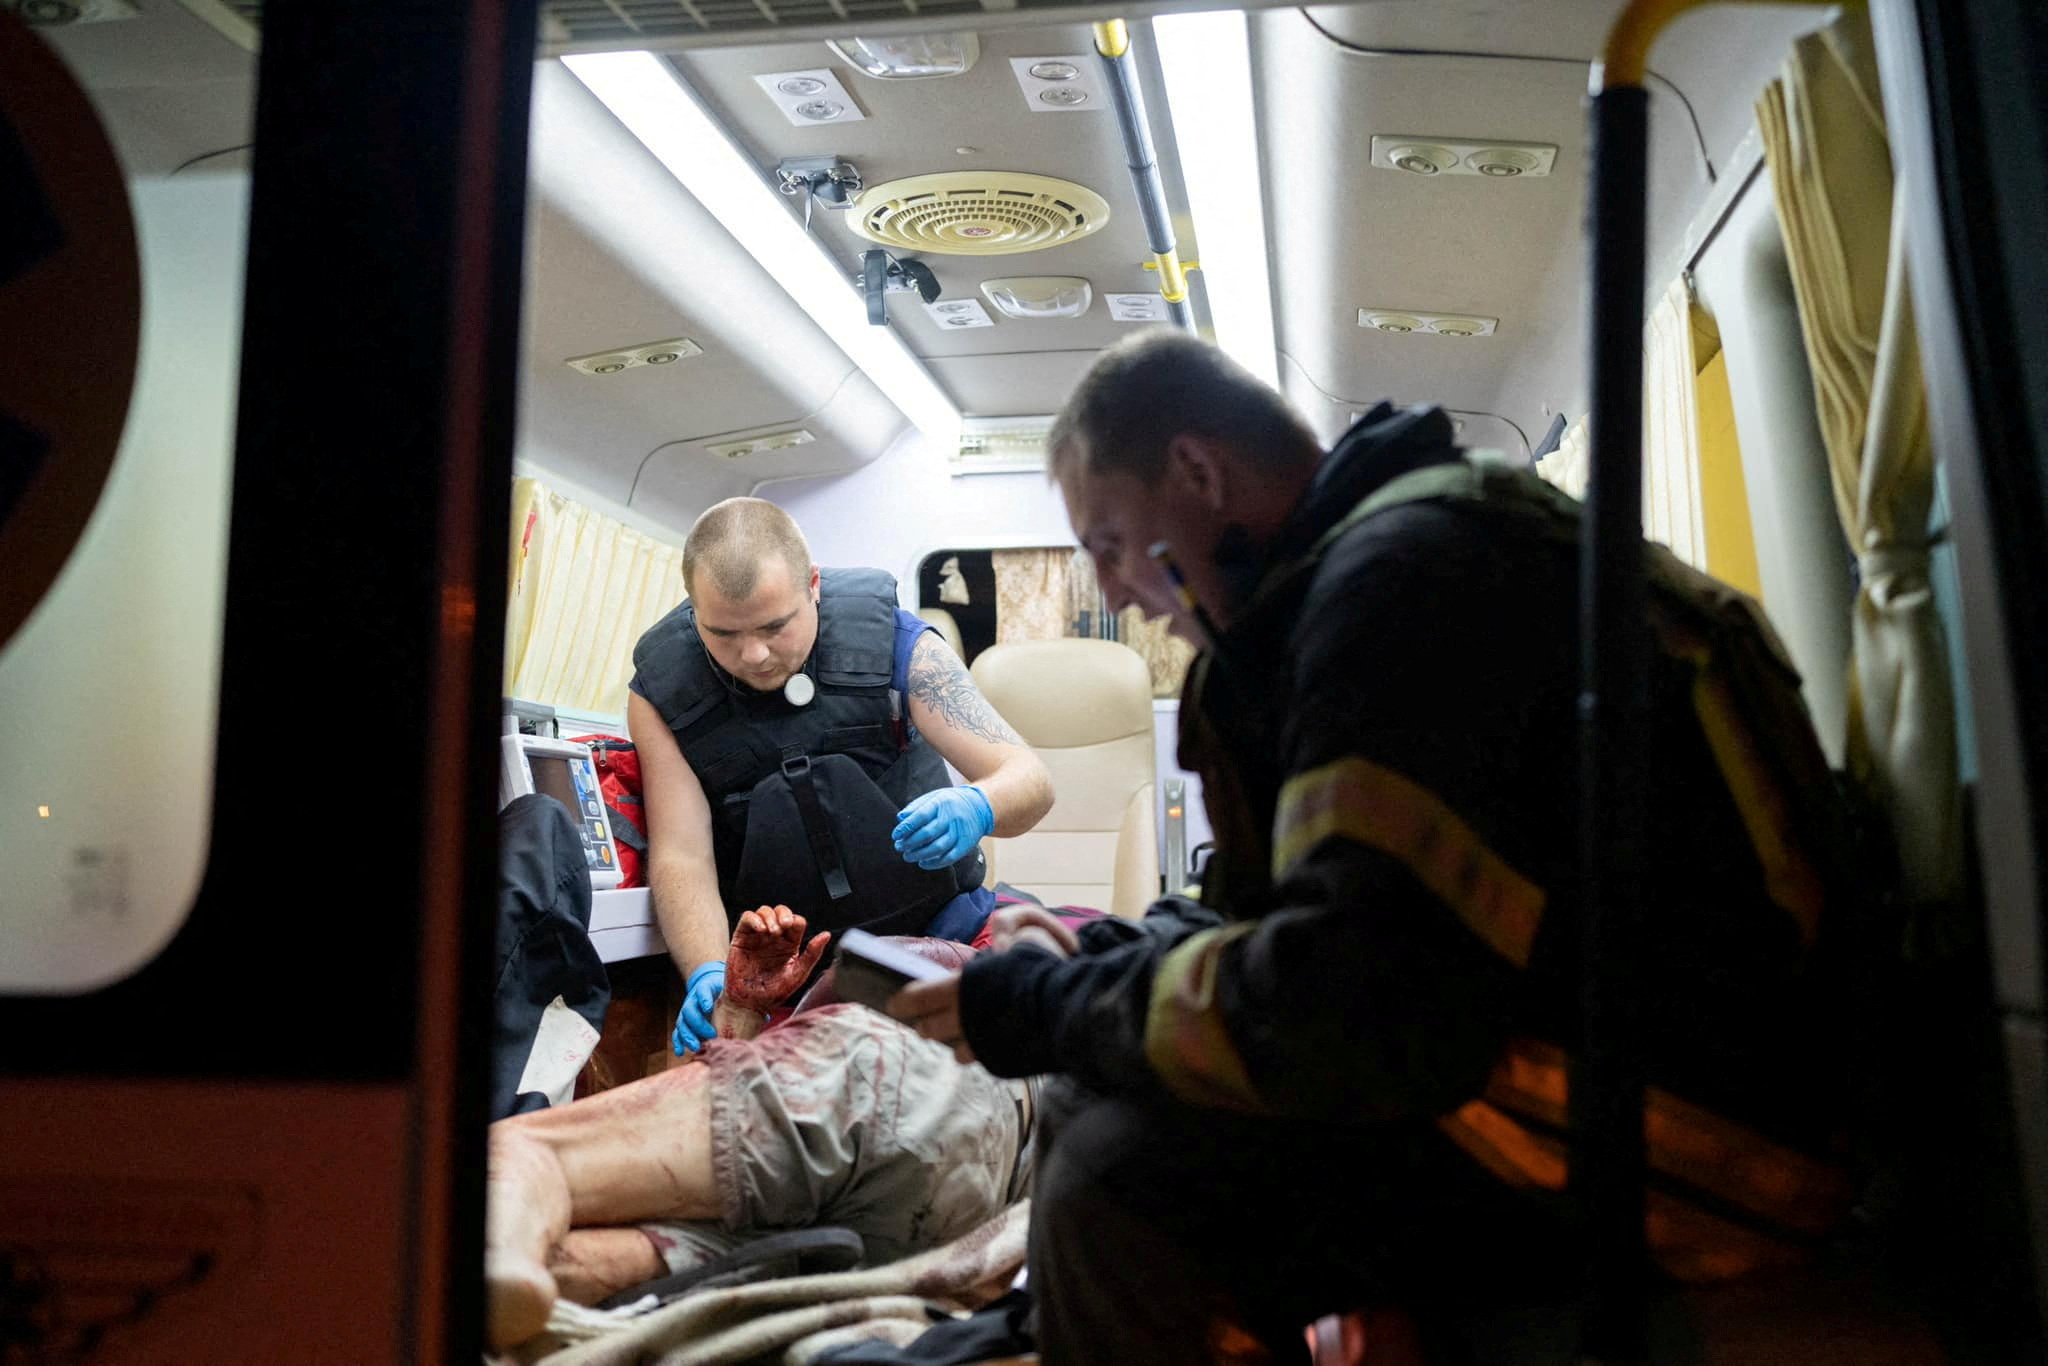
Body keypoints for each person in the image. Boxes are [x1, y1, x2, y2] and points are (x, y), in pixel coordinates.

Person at [890, 331, 1867, 1361]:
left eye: (1108, 544)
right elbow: (1279, 917)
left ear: (1196, 471)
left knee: (1119, 1182)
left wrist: (1041, 1007)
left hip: (1708, 1141)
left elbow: (1342, 1006)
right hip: (1601, 1057)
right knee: (1095, 1085)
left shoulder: (1403, 589)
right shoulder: (1389, 564)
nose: (1120, 590)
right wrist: (1091, 961)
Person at [483, 905, 1044, 1352]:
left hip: (913, 1086)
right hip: (958, 1215)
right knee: (580, 1255)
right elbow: (747, 1145)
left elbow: (837, 1082)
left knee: (522, 1153)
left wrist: (768, 1026)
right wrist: (743, 1013)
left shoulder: (1004, 960)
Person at [628, 498, 1052, 1056]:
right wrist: (710, 972)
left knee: (1046, 1013)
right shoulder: (661, 695)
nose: (753, 655)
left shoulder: (900, 644)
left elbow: (1028, 777)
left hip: (942, 934)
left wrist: (979, 804)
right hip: (788, 979)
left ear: (813, 585)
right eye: (723, 634)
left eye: (775, 627)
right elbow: (682, 855)